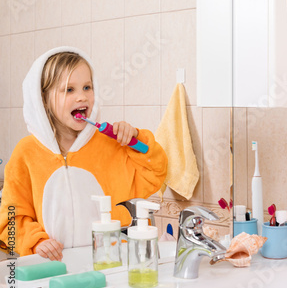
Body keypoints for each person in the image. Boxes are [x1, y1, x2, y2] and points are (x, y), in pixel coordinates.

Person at [0, 47, 168, 261]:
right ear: (44, 100)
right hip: (53, 268)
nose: (82, 97)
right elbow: (10, 221)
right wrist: (36, 241)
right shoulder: (26, 153)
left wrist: (135, 139)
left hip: (110, 264)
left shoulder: (111, 144)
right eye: (69, 90)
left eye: (87, 87)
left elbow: (156, 173)